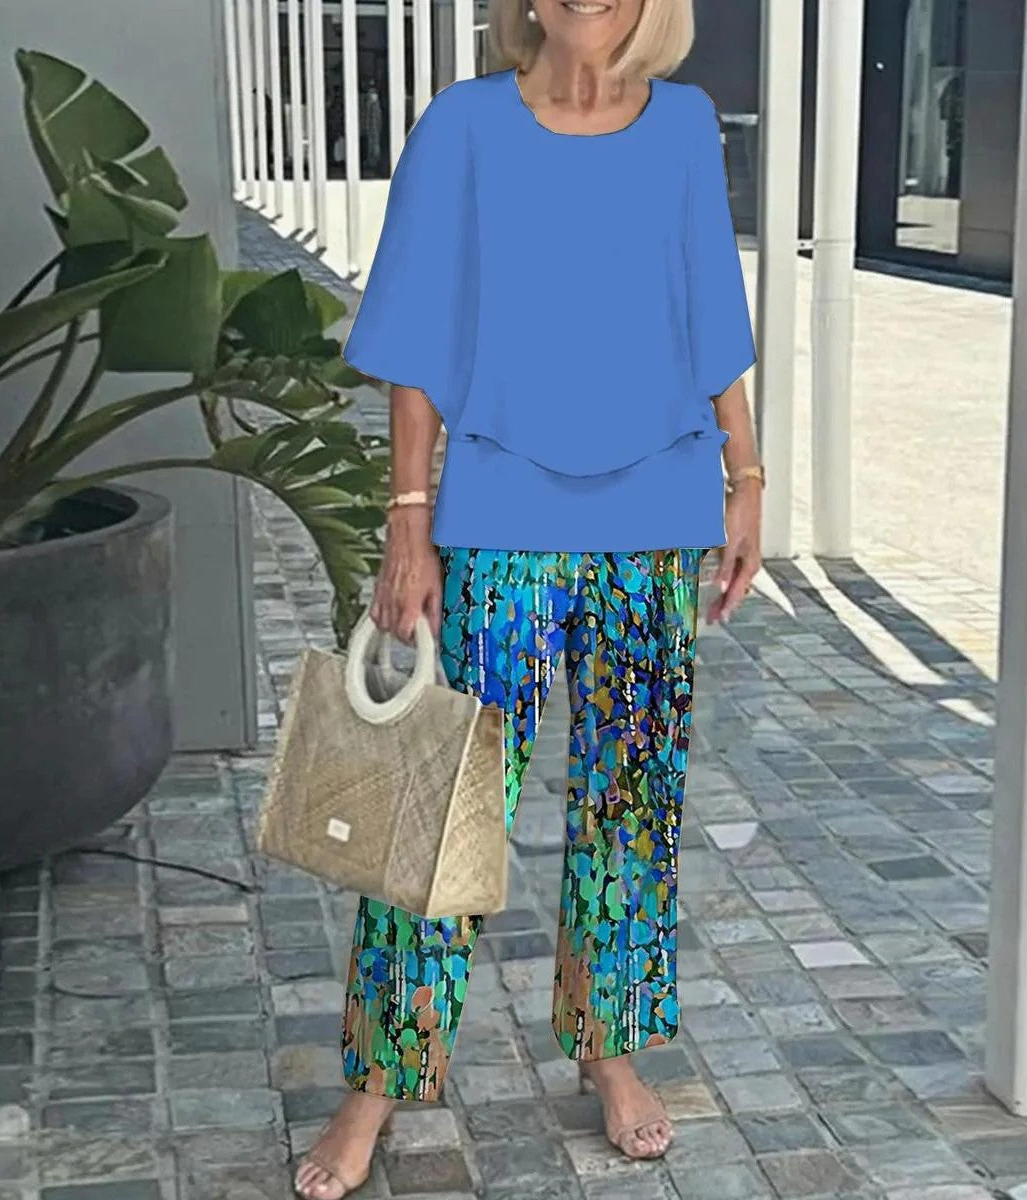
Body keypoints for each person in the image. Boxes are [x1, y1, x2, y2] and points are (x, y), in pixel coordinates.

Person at [293, 1, 762, 1195]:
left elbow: (712, 313)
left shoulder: (685, 125)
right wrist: (409, 520)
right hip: (499, 510)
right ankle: (380, 1079)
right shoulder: (464, 127)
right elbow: (416, 336)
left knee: (632, 806)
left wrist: (747, 478)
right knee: (448, 804)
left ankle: (610, 1048)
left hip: (656, 512)